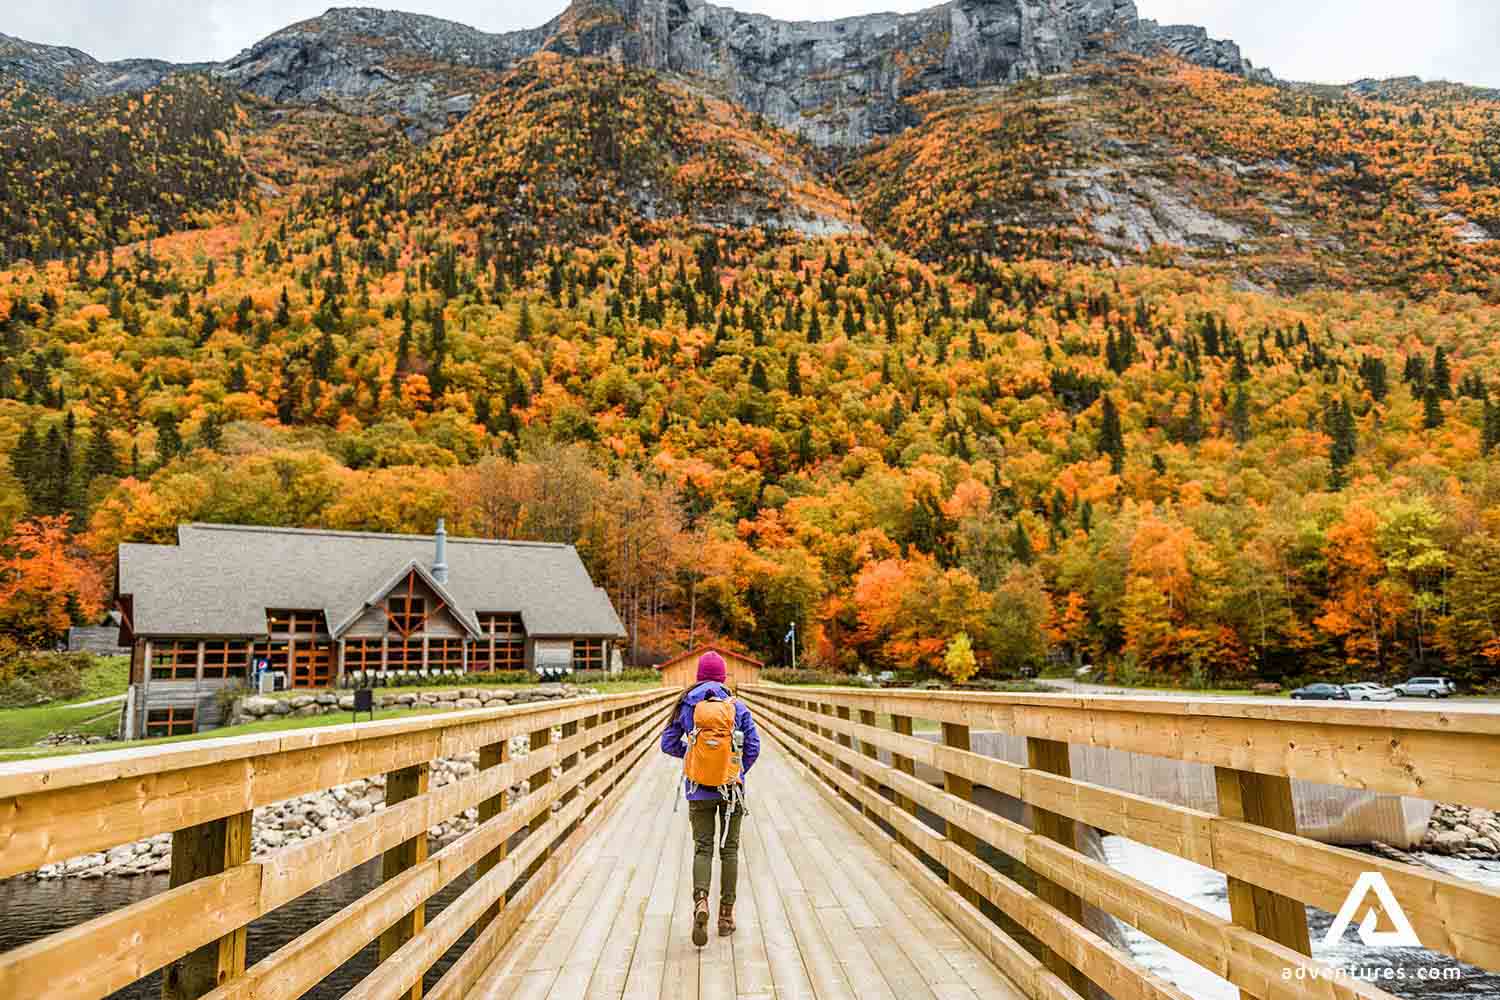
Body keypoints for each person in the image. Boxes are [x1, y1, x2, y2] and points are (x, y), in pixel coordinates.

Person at [660, 649, 760, 946]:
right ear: (723, 677)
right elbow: (753, 746)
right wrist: (734, 769)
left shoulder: (686, 704)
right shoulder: (736, 706)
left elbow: (667, 743)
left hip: (698, 789)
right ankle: (726, 917)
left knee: (703, 848)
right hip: (731, 789)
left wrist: (693, 757)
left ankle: (700, 901)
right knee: (729, 851)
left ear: (699, 676)